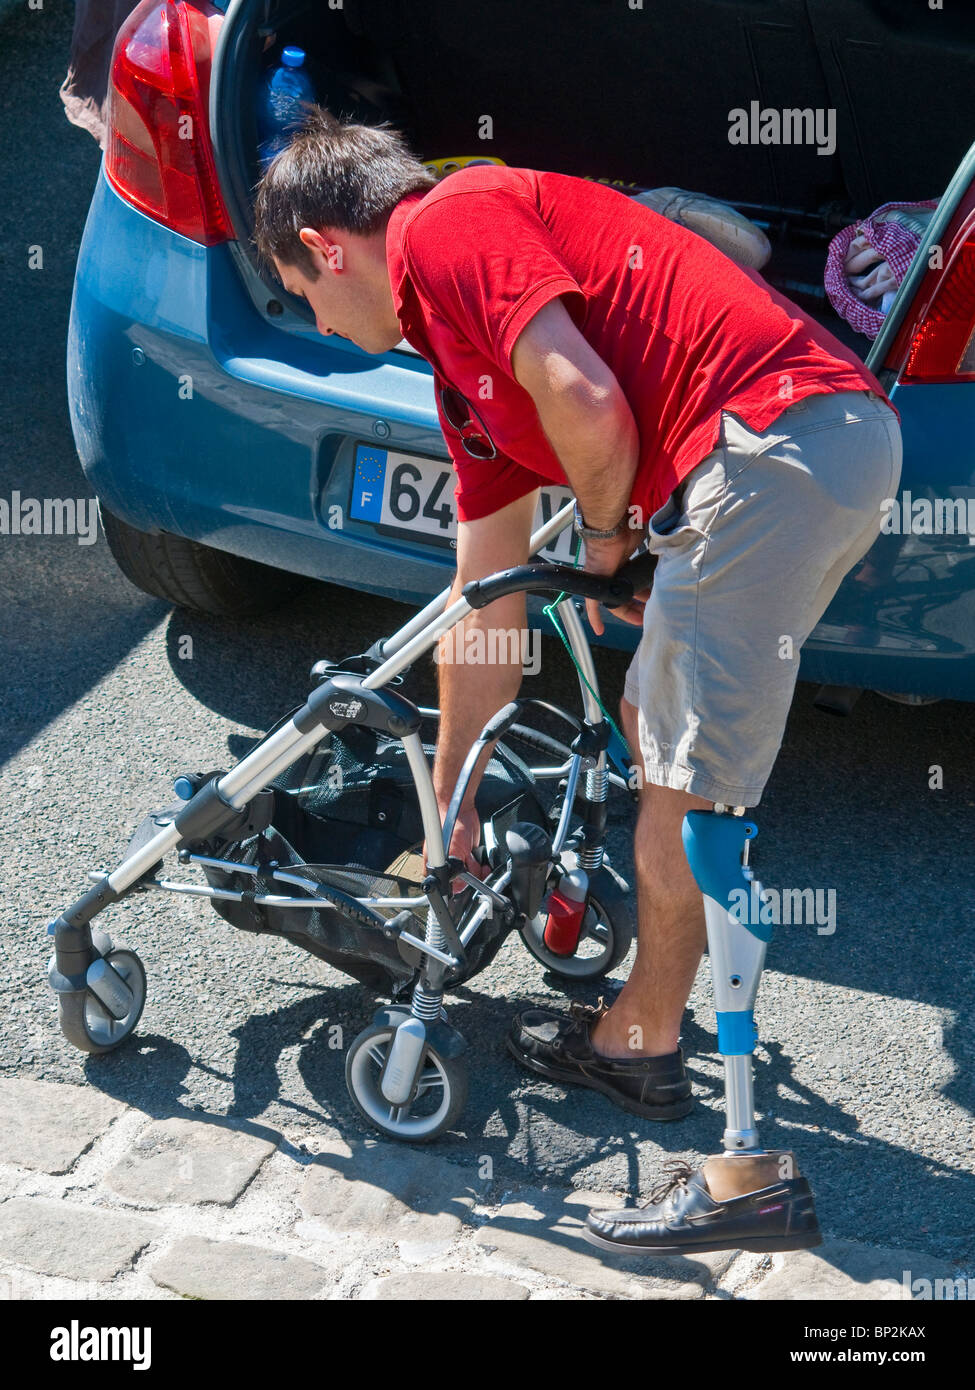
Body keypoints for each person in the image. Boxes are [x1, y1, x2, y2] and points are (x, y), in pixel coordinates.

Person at [254, 109, 902, 1253]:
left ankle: (722, 1147)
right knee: (672, 754)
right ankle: (638, 1040)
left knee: (687, 795)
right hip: (779, 453)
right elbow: (487, 607)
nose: (312, 313)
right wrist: (446, 805)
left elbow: (593, 407)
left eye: (299, 290)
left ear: (327, 243)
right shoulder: (462, 375)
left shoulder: (448, 226)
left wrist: (608, 543)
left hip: (769, 444)